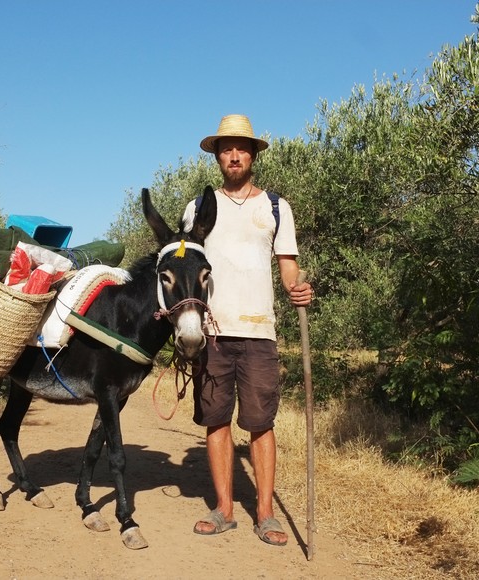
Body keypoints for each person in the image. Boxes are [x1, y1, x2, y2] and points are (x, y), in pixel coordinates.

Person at [182, 114, 313, 546]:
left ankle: (265, 513)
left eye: (241, 148)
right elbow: (185, 268)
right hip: (212, 333)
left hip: (260, 333)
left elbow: (287, 267)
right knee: (216, 420)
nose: (233, 155)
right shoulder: (197, 209)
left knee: (261, 422)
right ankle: (223, 509)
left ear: (253, 154)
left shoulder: (275, 207)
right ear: (217, 155)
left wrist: (299, 290)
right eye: (226, 148)